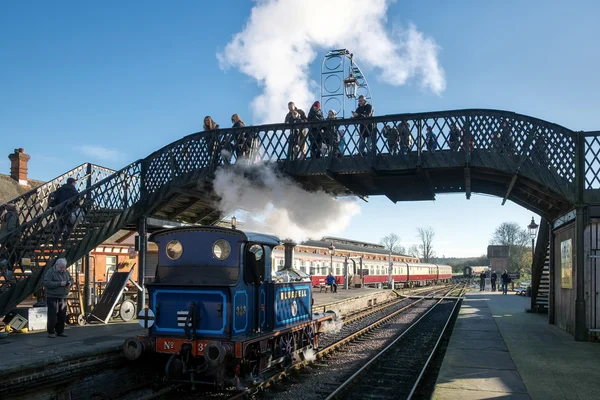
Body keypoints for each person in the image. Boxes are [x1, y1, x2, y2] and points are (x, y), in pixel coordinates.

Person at [43, 258, 74, 338]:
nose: (62, 269)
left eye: (64, 267)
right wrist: (59, 284)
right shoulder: (50, 272)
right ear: (56, 265)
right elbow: (47, 283)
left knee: (62, 315)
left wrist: (70, 283)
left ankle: (60, 331)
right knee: (52, 315)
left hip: (63, 296)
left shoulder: (66, 272)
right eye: (61, 267)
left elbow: (71, 279)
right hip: (52, 296)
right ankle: (51, 332)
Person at [53, 178, 79, 245]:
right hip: (69, 209)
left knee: (60, 225)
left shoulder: (60, 189)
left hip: (59, 209)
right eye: (75, 183)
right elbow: (77, 201)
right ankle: (64, 240)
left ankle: (55, 240)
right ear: (73, 183)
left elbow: (55, 198)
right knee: (70, 225)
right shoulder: (74, 190)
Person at [0, 203, 19, 268]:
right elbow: (11, 227)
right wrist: (17, 233)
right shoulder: (13, 216)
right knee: (15, 251)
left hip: (3, 237)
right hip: (10, 237)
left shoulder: (5, 216)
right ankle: (9, 267)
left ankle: (6, 261)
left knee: (11, 251)